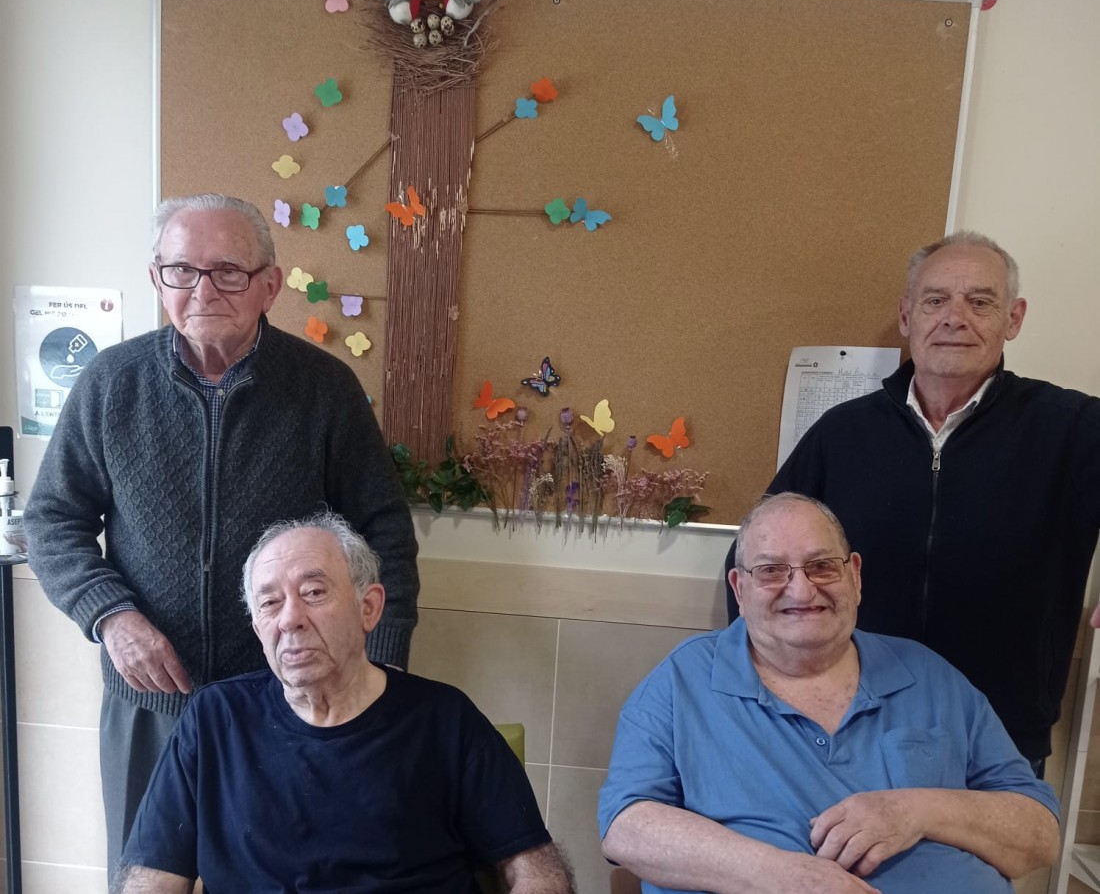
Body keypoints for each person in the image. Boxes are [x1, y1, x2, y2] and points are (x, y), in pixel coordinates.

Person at [24, 193, 419, 877]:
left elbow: (383, 529)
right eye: (182, 270)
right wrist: (111, 617)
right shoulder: (110, 383)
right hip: (150, 703)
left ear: (270, 284)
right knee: (145, 875)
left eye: (229, 271)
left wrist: (380, 669)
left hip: (287, 699)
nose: (203, 290)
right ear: (157, 279)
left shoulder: (324, 388)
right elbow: (52, 519)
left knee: (284, 874)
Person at [723, 231, 1100, 767]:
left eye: (980, 302)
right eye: (935, 300)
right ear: (906, 316)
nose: (954, 318)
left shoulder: (1071, 427)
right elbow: (754, 552)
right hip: (849, 728)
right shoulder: (843, 433)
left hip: (1000, 735)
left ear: (1013, 319)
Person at [601, 493, 1060, 894]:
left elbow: (1039, 836)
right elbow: (627, 827)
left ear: (854, 576)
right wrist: (781, 877)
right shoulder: (682, 681)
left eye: (822, 565)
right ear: (740, 589)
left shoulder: (930, 676)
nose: (802, 590)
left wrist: (915, 810)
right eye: (772, 570)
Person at [116, 513, 573, 893]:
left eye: (314, 593)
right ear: (257, 628)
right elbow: (151, 878)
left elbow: (538, 871)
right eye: (269, 603)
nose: (290, 619)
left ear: (368, 608)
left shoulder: (445, 719)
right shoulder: (214, 720)